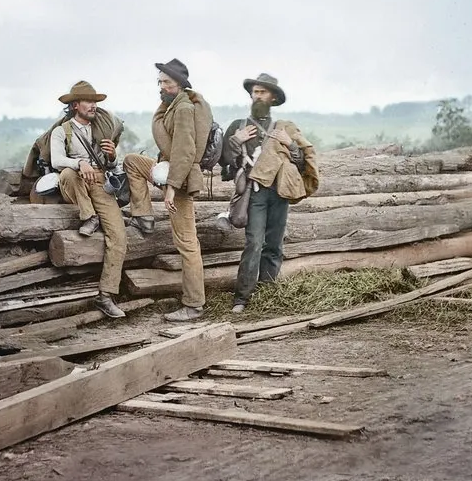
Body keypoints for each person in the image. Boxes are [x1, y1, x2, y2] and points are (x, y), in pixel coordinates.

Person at [220, 73, 319, 313]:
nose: (257, 96)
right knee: (254, 243)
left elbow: (301, 162)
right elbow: (223, 162)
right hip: (254, 193)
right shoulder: (238, 126)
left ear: (273, 98)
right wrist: (235, 141)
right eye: (255, 92)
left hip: (279, 192)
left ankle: (268, 293)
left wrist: (290, 144)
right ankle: (242, 298)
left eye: (263, 92)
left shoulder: (285, 128)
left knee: (274, 244)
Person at [123, 59, 213, 322]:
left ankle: (194, 304)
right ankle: (144, 216)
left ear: (180, 84)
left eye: (166, 82)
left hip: (181, 179)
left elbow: (185, 151)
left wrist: (171, 189)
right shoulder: (171, 105)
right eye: (159, 81)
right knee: (132, 161)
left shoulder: (184, 108)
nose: (161, 86)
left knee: (187, 243)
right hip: (168, 168)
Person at [50, 81, 127, 319]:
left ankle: (105, 295)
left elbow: (111, 165)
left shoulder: (100, 130)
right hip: (75, 182)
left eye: (94, 101)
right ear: (75, 105)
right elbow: (56, 160)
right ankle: (89, 216)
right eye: (88, 101)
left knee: (119, 235)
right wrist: (78, 162)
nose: (93, 105)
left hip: (99, 181)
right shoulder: (62, 131)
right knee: (68, 172)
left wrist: (112, 155)